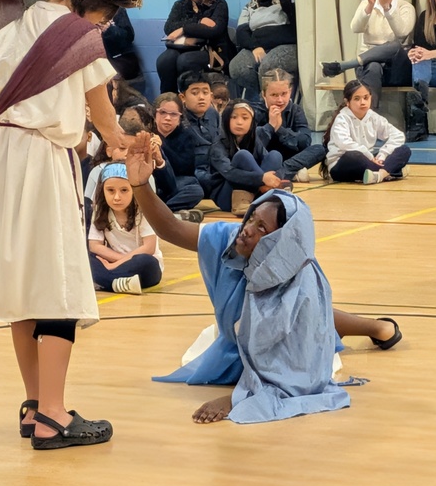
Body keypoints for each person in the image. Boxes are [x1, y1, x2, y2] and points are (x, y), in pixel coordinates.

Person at [0, 0, 142, 449]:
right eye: (108, 13)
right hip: (40, 156)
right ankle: (54, 416)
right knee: (59, 281)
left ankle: (35, 404)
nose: (106, 23)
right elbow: (103, 114)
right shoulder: (77, 33)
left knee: (23, 282)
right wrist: (125, 142)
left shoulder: (9, 20)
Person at [124, 136, 402, 424]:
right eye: (251, 218)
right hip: (244, 336)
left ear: (280, 240)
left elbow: (299, 377)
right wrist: (140, 185)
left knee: (313, 322)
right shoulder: (232, 238)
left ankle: (377, 327)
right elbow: (171, 229)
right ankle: (369, 327)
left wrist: (237, 398)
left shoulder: (301, 279)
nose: (247, 229)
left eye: (262, 228)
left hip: (294, 344)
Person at [320, 0, 416, 110]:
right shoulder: (366, 4)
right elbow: (355, 28)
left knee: (395, 45)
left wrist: (387, 7)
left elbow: (402, 33)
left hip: (395, 68)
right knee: (374, 66)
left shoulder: (405, 7)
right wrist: (370, 5)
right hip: (368, 67)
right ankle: (370, 115)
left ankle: (344, 65)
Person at [88, 162, 163, 294]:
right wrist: (118, 260)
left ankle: (105, 282)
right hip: (115, 261)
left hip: (140, 265)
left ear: (133, 190)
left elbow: (149, 248)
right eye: (111, 190)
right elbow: (95, 245)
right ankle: (119, 283)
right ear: (102, 190)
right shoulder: (100, 210)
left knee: (146, 261)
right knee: (86, 257)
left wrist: (114, 265)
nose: (117, 197)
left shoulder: (144, 210)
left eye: (124, 190)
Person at [120, 103, 203, 219]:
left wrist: (159, 161)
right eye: (122, 148)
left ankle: (160, 213)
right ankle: (164, 215)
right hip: (121, 195)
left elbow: (170, 187)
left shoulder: (151, 142)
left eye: (173, 114)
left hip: (151, 192)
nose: (168, 118)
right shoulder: (114, 141)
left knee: (194, 188)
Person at [320, 80, 410, 184]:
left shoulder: (373, 117)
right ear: (347, 102)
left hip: (368, 162)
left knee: (404, 150)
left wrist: (382, 155)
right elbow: (344, 144)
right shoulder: (342, 119)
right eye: (357, 99)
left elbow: (398, 135)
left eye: (366, 98)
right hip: (342, 165)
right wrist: (370, 156)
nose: (362, 102)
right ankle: (393, 171)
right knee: (354, 156)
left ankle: (380, 175)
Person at [230, 0, 298, 102]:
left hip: (285, 46)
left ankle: (267, 105)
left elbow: (297, 25)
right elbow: (242, 32)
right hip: (257, 46)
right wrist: (255, 47)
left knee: (268, 68)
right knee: (238, 68)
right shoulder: (250, 6)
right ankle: (263, 99)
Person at [156, 0, 232, 93]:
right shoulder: (180, 5)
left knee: (185, 61)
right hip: (182, 47)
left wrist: (184, 29)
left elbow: (214, 31)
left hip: (212, 52)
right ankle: (170, 98)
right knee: (165, 60)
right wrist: (200, 23)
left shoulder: (219, 4)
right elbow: (169, 28)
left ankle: (190, 98)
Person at [209, 100, 288, 215]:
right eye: (234, 117)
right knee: (243, 155)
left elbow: (268, 162)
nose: (239, 122)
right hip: (227, 196)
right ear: (226, 120)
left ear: (252, 122)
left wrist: (277, 177)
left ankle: (266, 191)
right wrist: (261, 178)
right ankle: (267, 191)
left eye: (245, 118)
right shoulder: (218, 145)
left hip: (252, 191)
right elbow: (229, 173)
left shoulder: (253, 139)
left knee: (275, 155)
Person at [254, 68, 325, 183]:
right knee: (273, 155)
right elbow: (253, 145)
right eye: (274, 95)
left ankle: (281, 173)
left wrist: (279, 130)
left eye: (284, 94)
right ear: (264, 95)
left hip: (290, 159)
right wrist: (271, 126)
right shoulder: (255, 111)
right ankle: (290, 173)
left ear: (290, 91)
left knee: (320, 149)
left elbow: (305, 142)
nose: (280, 100)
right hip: (267, 158)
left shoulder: (296, 110)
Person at [177, 70, 220, 197]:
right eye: (195, 93)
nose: (201, 97)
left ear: (211, 96)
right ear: (182, 97)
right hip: (194, 173)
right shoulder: (178, 120)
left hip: (217, 166)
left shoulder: (213, 114)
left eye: (205, 92)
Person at [102, 7, 141, 82]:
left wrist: (110, 29)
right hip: (104, 65)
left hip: (121, 63)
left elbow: (129, 36)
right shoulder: (86, 13)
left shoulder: (117, 9)